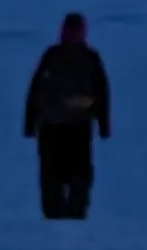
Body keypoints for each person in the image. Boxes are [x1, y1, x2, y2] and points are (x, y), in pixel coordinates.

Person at [23, 13, 111, 220]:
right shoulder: (77, 57)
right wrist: (103, 124)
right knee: (64, 172)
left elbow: (102, 92)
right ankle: (65, 212)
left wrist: (29, 123)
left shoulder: (61, 56)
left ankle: (64, 212)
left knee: (64, 172)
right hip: (65, 126)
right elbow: (102, 93)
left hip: (67, 126)